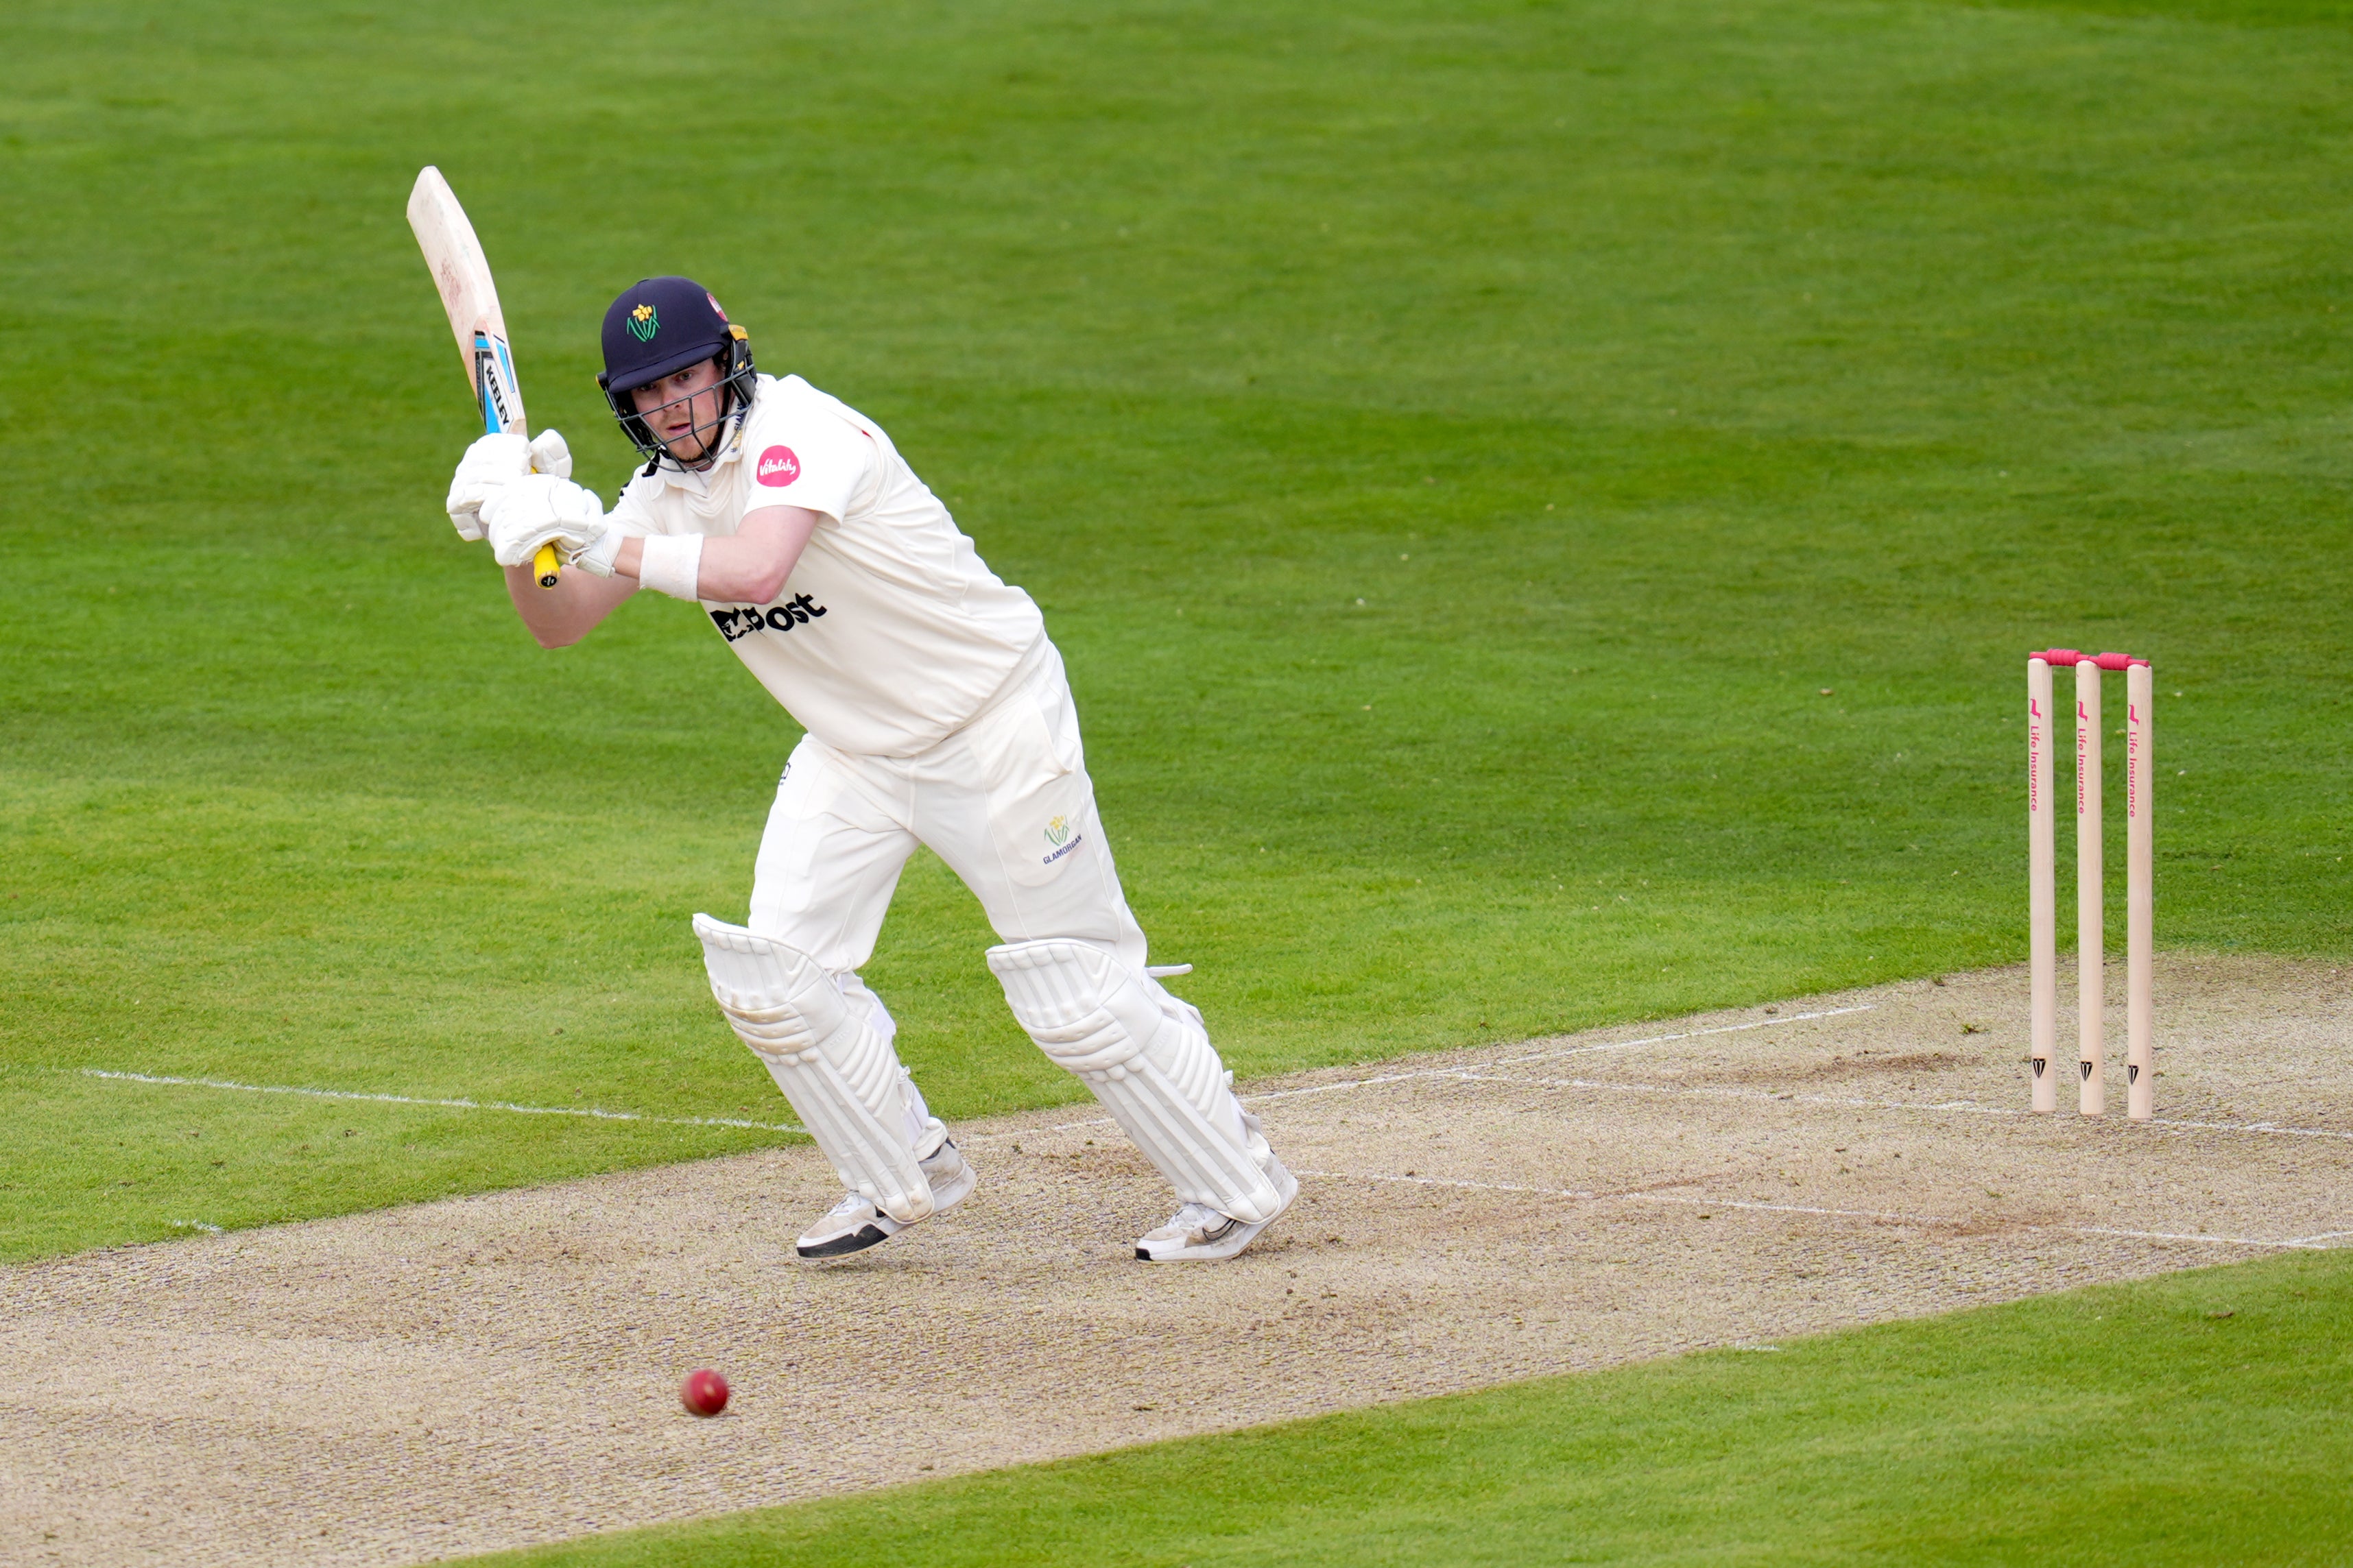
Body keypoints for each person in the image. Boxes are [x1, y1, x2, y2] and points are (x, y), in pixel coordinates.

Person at [442, 276, 1295, 1262]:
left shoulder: (803, 431)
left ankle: (1237, 1184)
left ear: (729, 365)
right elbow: (560, 623)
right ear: (624, 405)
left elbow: (757, 569)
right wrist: (518, 526)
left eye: (689, 380)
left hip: (992, 725)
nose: (674, 409)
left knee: (1079, 992)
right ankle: (905, 1171)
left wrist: (598, 535)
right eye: (649, 394)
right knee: (773, 981)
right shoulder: (661, 497)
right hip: (855, 750)